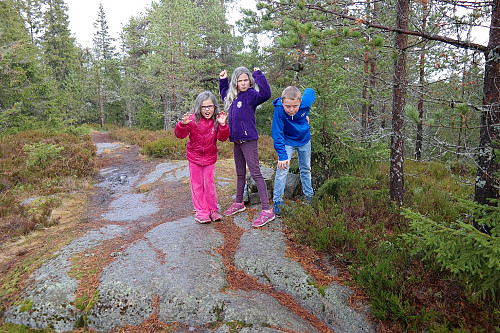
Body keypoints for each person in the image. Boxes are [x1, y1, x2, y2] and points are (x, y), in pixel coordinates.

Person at [219, 66, 275, 227]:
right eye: (240, 80)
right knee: (240, 174)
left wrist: (258, 75)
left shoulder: (251, 95)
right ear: (235, 82)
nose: (243, 83)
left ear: (249, 81)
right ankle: (239, 203)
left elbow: (266, 94)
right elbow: (224, 94)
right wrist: (222, 80)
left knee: (256, 173)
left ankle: (266, 210)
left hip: (249, 140)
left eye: (246, 80)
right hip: (236, 141)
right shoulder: (232, 96)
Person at [174, 91, 229, 223]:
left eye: (210, 106)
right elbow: (179, 135)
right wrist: (182, 124)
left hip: (210, 158)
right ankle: (201, 212)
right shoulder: (192, 120)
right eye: (204, 107)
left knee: (209, 184)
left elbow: (222, 138)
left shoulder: (217, 120)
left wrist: (223, 125)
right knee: (197, 185)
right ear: (199, 107)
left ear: (214, 107)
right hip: (194, 158)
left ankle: (213, 210)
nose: (207, 110)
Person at [271, 86, 316, 217]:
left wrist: (305, 113)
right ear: (282, 102)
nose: (291, 110)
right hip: (287, 141)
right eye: (288, 106)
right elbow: (277, 132)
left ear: (300, 102)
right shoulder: (279, 109)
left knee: (306, 169)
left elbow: (310, 91)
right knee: (282, 169)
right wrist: (282, 155)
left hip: (304, 139)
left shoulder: (305, 101)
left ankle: (309, 197)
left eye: (295, 106)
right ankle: (278, 202)